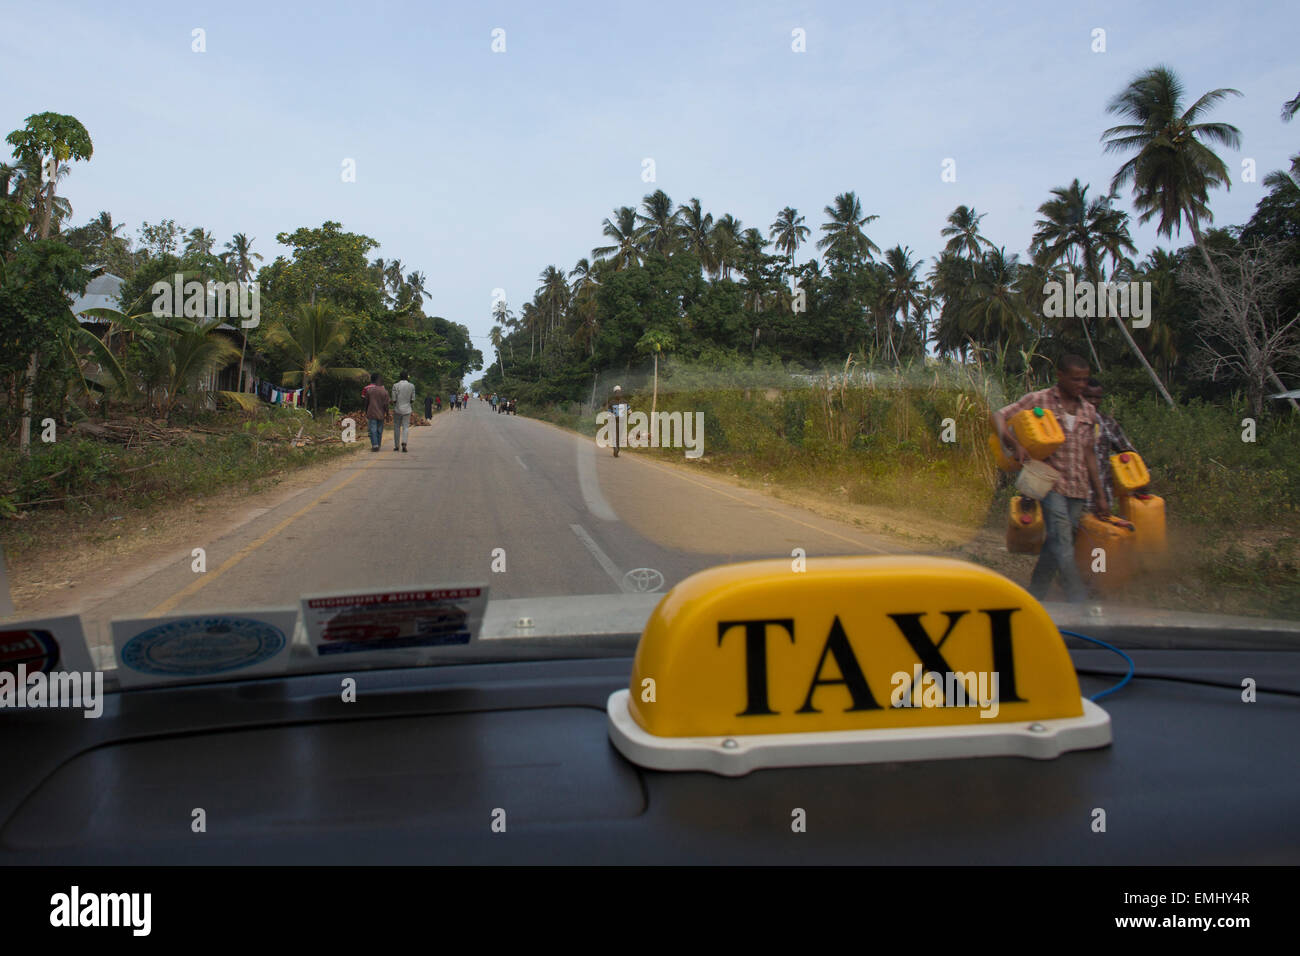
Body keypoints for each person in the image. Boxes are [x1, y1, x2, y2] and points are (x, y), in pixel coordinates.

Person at [991, 355, 1108, 603]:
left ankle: (1034, 596)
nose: (1081, 385)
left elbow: (1089, 455)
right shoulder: (1039, 399)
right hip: (1048, 483)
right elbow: (998, 416)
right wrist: (1014, 444)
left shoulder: (1089, 411)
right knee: (1063, 542)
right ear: (1060, 376)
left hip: (1078, 488)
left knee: (1056, 545)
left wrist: (1099, 495)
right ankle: (1079, 602)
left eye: (1085, 380)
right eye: (1075, 379)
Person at [1084, 378, 1137, 512]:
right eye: (1088, 396)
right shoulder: (1068, 421)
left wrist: (1141, 479)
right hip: (1073, 496)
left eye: (1097, 397)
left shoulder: (1108, 423)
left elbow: (1128, 452)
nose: (1093, 401)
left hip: (1101, 497)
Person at [363, 372, 389, 452]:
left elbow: (366, 402)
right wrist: (387, 413)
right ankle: (378, 444)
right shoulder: (385, 391)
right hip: (381, 413)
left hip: (371, 412)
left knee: (372, 429)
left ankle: (375, 445)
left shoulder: (369, 390)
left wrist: (366, 411)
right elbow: (386, 404)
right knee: (379, 430)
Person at [391, 370, 415, 452]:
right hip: (407, 409)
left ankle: (396, 446)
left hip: (397, 409)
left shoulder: (395, 385)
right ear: (407, 377)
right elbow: (412, 399)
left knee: (397, 427)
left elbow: (394, 399)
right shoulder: (411, 386)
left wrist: (397, 403)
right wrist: (407, 402)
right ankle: (404, 442)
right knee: (405, 427)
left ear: (400, 377)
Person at [605, 385, 626, 457]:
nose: (618, 393)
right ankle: (616, 448)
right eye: (617, 392)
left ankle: (616, 448)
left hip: (619, 422)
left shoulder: (621, 401)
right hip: (617, 422)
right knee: (616, 436)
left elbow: (629, 409)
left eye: (619, 392)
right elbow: (609, 412)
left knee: (617, 436)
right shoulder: (615, 402)